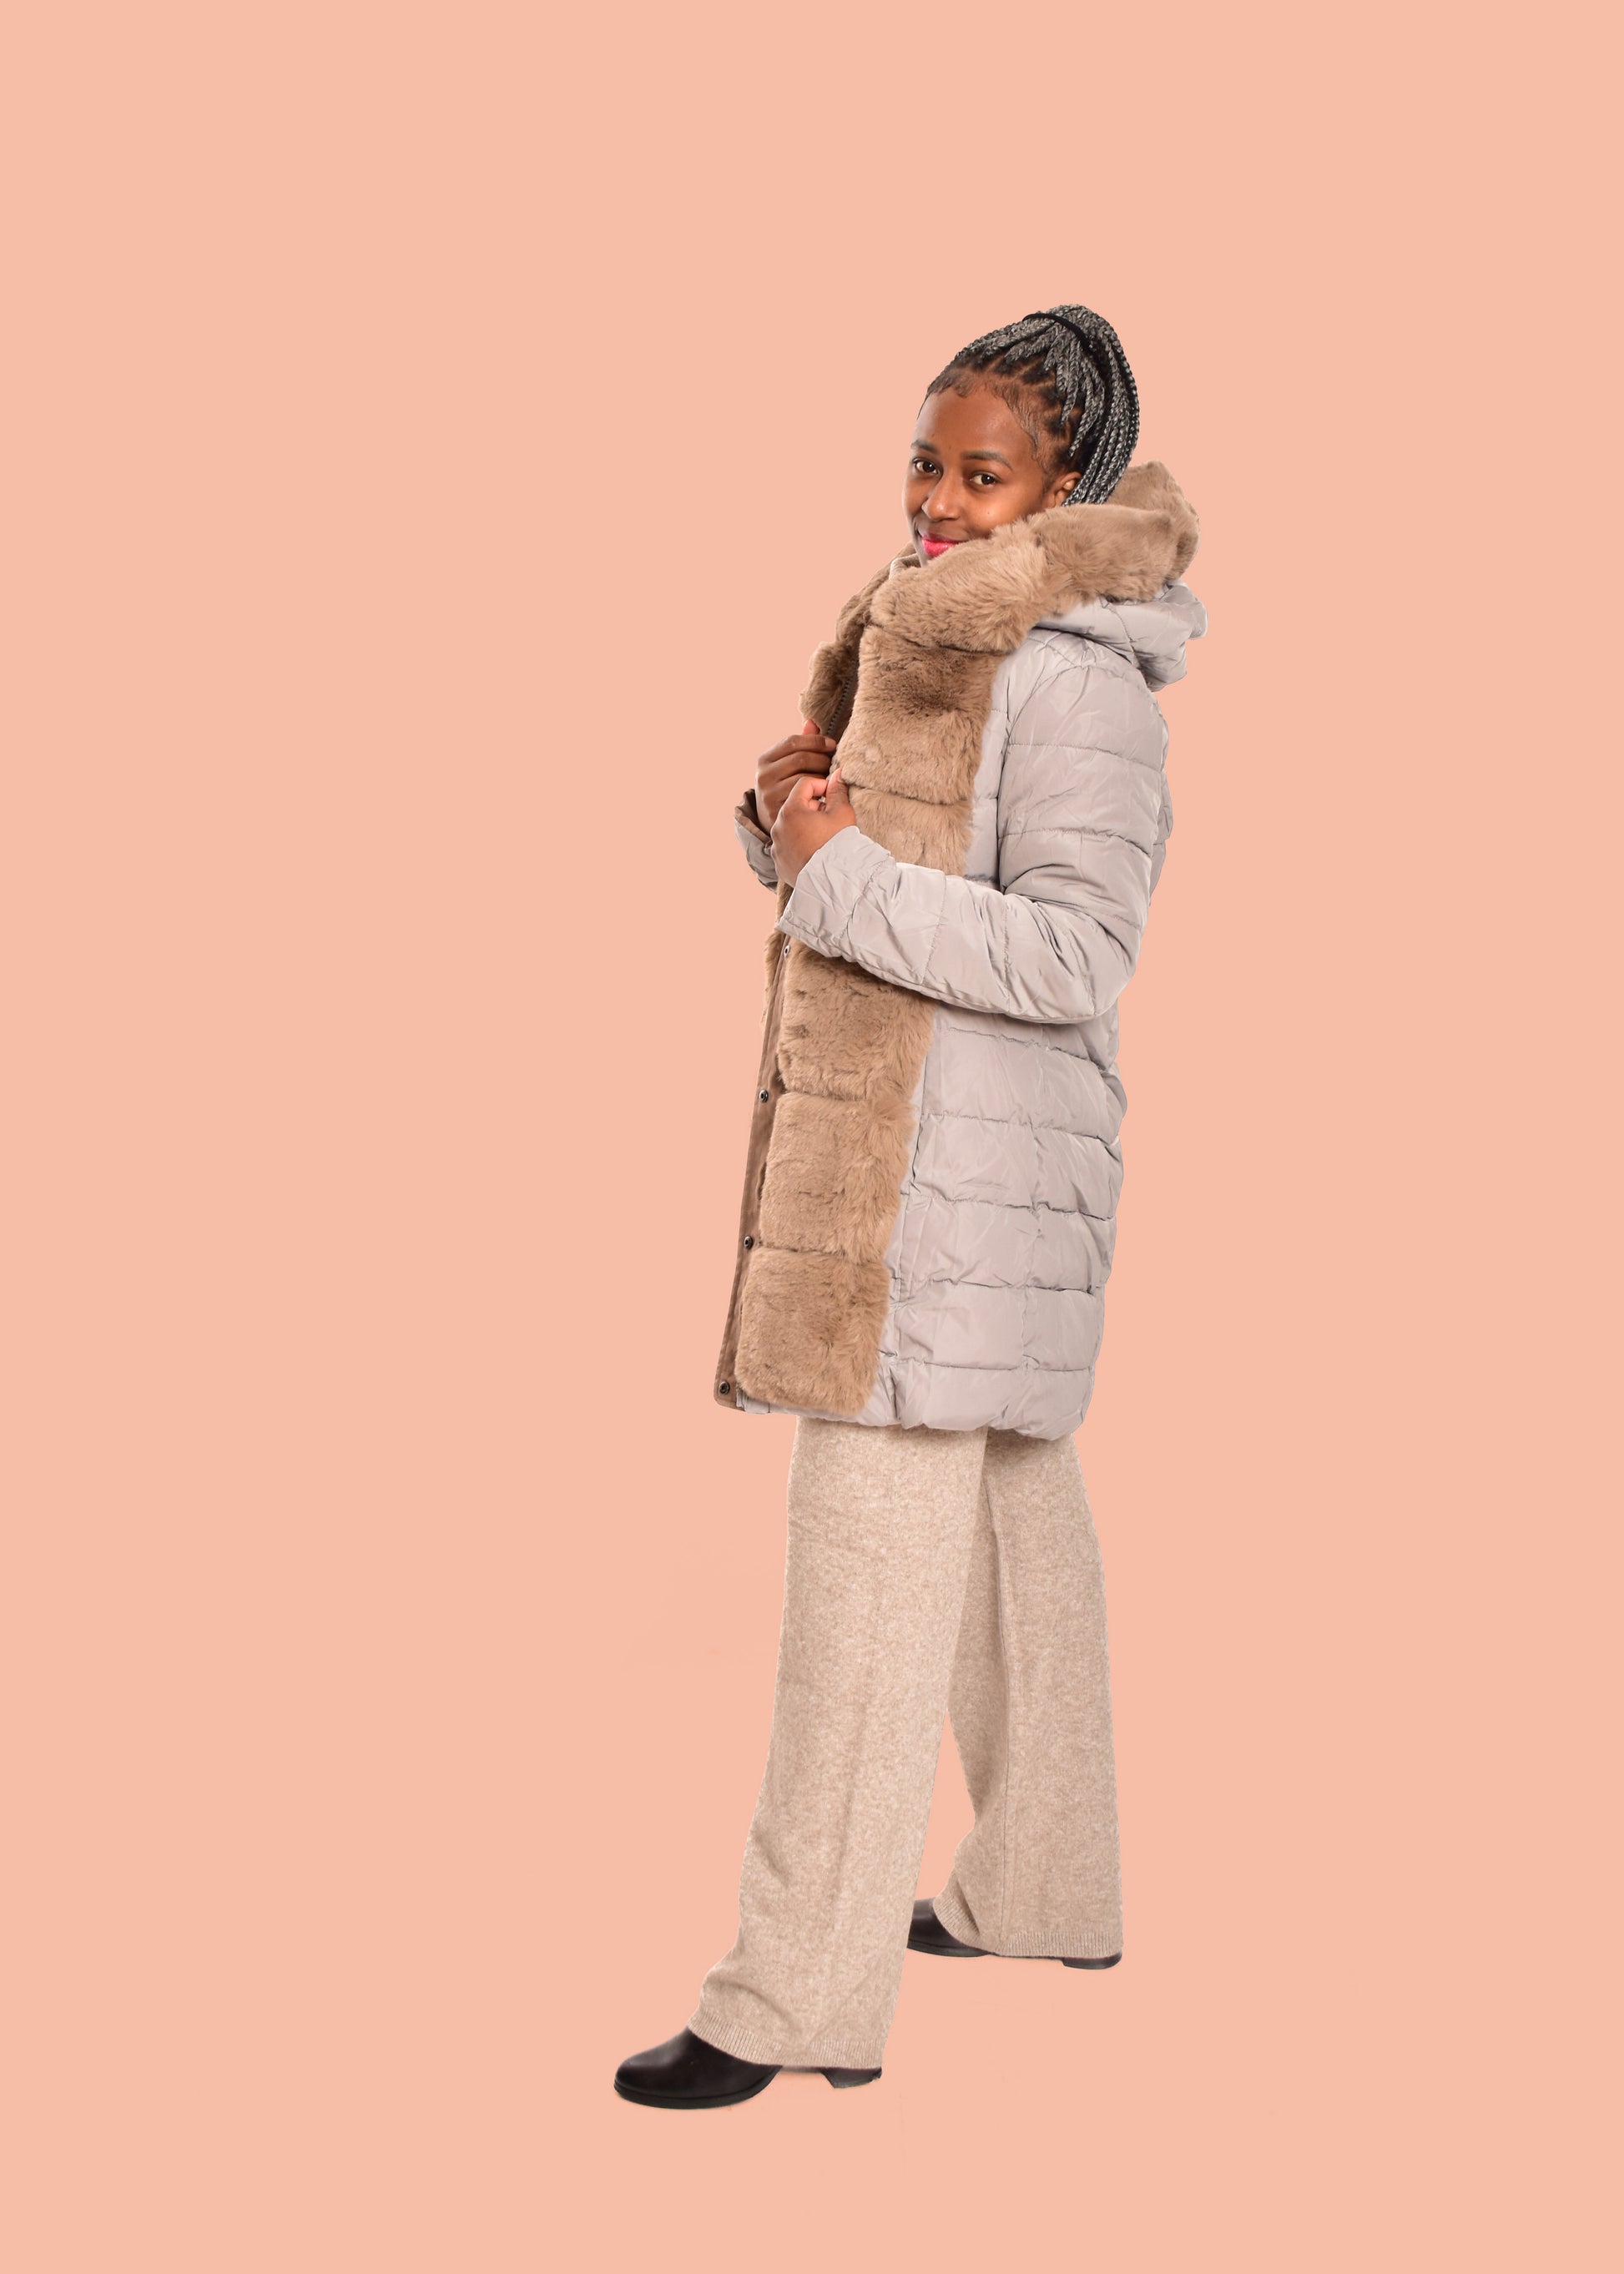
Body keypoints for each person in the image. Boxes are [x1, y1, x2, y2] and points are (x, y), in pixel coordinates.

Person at [614, 307, 1205, 2110]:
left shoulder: (1073, 678)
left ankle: (790, 1999)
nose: (937, 502)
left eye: (981, 475)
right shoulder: (926, 632)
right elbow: (868, 875)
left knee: (860, 1596)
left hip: (942, 1199)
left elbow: (1077, 950)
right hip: (950, 1181)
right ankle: (1047, 1886)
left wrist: (840, 870)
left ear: (1066, 490)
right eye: (924, 463)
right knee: (1016, 1535)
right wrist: (787, 825)